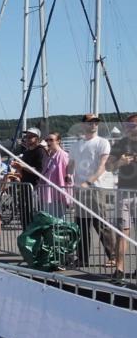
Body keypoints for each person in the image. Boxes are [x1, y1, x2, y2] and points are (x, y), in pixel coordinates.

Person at [73, 114, 116, 268]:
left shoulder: (102, 142)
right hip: (80, 189)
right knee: (81, 225)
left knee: (101, 224)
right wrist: (67, 176)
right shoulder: (77, 145)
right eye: (90, 122)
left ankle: (113, 256)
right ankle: (82, 258)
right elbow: (71, 164)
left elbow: (103, 165)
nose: (93, 125)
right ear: (83, 125)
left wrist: (89, 181)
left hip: (96, 187)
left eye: (96, 122)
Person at [108, 114, 137, 284]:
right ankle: (119, 269)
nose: (129, 128)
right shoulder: (120, 144)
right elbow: (108, 166)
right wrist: (120, 162)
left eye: (133, 125)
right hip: (123, 193)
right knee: (122, 232)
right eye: (127, 125)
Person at [11, 127, 45, 226]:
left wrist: (22, 166)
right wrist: (18, 170)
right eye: (26, 137)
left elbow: (40, 171)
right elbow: (24, 170)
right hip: (25, 186)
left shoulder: (40, 151)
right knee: (24, 212)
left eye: (30, 137)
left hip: (35, 187)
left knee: (34, 213)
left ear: (37, 138)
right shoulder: (26, 152)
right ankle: (26, 231)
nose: (27, 139)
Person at [38, 132, 72, 219]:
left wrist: (66, 193)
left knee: (58, 219)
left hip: (58, 194)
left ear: (58, 141)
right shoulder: (50, 156)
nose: (48, 142)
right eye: (47, 140)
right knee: (50, 218)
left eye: (51, 140)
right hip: (48, 192)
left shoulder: (63, 155)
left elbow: (67, 174)